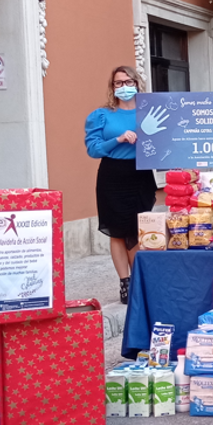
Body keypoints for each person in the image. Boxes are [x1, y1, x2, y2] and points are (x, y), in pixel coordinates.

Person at [84, 66, 157, 304]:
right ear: (112, 87)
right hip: (113, 174)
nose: (124, 87)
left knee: (138, 228)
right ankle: (125, 283)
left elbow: (164, 142)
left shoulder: (149, 112)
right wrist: (118, 139)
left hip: (141, 174)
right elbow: (93, 149)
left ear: (137, 84)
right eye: (118, 83)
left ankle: (139, 280)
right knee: (117, 231)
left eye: (128, 82)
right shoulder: (102, 115)